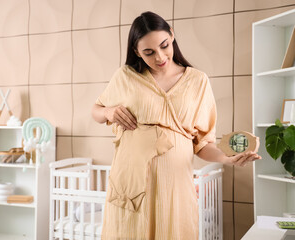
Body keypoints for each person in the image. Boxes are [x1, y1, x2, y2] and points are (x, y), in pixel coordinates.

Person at [92, 11, 261, 239]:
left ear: (172, 35)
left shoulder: (197, 81)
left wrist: (226, 158)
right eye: (149, 52)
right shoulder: (125, 76)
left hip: (175, 188)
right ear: (136, 52)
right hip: (129, 183)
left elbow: (202, 144)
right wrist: (109, 111)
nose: (160, 57)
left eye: (165, 45)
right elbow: (96, 111)